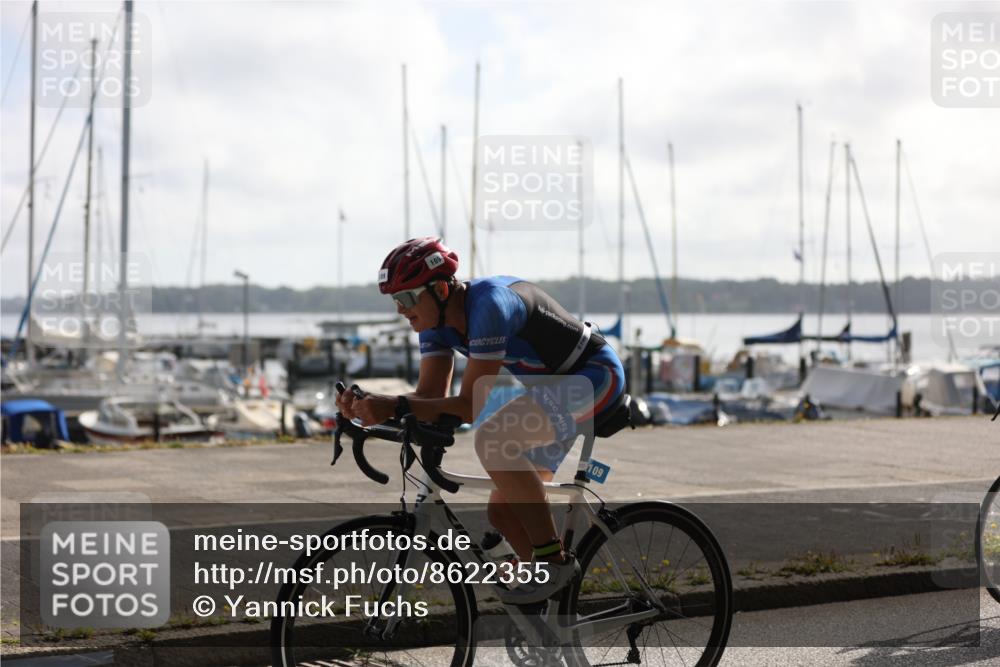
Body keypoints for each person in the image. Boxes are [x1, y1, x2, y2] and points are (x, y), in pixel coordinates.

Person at [336, 237, 626, 603]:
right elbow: (429, 395)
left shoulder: (489, 306)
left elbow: (468, 407)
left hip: (594, 377)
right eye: (395, 299)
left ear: (441, 289)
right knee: (504, 513)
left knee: (493, 439)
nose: (400, 309)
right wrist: (368, 405)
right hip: (552, 390)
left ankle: (554, 562)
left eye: (407, 297)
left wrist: (393, 405)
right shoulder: (434, 322)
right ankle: (556, 605)